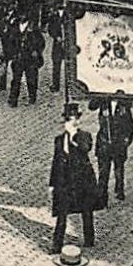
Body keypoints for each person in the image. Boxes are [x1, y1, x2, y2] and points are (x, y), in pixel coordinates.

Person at [48, 103, 103, 253]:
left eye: (72, 120)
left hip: (82, 180)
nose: (69, 123)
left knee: (86, 211)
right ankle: (57, 244)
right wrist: (52, 183)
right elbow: (56, 160)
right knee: (62, 213)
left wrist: (73, 137)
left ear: (77, 121)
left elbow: (85, 148)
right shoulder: (59, 139)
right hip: (65, 181)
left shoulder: (84, 136)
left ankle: (89, 238)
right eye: (67, 120)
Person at [94, 97, 133, 201]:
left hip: (118, 144)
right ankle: (102, 192)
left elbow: (130, 125)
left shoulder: (124, 107)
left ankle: (119, 190)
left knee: (119, 169)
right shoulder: (103, 103)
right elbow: (91, 105)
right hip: (104, 143)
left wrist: (126, 140)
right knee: (103, 171)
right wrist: (99, 98)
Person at [6, 14, 45, 106]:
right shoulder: (15, 27)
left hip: (30, 59)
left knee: (31, 79)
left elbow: (41, 42)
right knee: (16, 80)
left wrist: (37, 51)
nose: (22, 18)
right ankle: (13, 100)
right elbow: (10, 42)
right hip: (18, 58)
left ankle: (32, 97)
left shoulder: (34, 29)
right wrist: (12, 53)